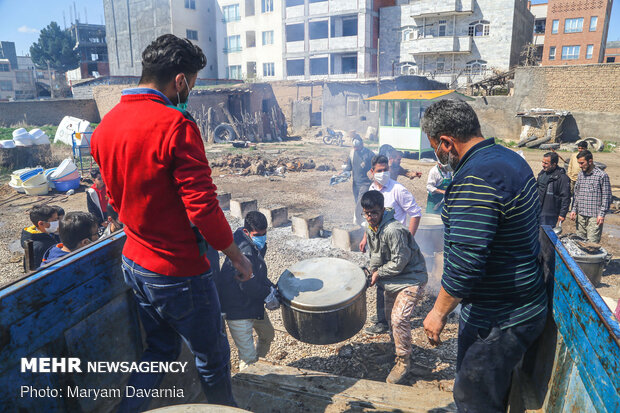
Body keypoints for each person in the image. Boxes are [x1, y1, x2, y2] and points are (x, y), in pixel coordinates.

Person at [90, 34, 252, 410]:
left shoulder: (105, 127)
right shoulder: (175, 125)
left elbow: (112, 199)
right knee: (212, 358)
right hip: (178, 272)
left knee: (158, 350)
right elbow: (203, 207)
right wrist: (238, 257)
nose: (189, 93)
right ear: (180, 80)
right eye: (191, 85)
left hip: (134, 263)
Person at [420, 100, 548, 412]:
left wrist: (437, 313)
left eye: (435, 147)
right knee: (491, 386)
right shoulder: (508, 158)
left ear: (448, 142)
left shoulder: (475, 178)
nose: (437, 155)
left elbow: (466, 263)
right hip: (526, 303)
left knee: (474, 393)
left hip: (499, 318)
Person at [361, 190, 427, 384]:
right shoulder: (371, 227)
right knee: (390, 320)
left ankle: (404, 363)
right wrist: (371, 270)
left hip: (412, 279)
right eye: (366, 213)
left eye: (373, 212)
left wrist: (378, 273)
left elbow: (399, 262)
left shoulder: (393, 230)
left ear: (382, 209)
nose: (369, 217)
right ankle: (394, 352)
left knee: (399, 319)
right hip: (392, 280)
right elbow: (375, 255)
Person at [361, 155, 423, 335]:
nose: (383, 174)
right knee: (379, 280)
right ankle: (383, 316)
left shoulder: (398, 189)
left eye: (385, 170)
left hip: (394, 245)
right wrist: (365, 237)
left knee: (385, 281)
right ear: (372, 172)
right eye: (379, 171)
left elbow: (415, 213)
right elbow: (371, 218)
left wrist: (408, 239)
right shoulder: (373, 188)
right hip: (378, 245)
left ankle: (384, 322)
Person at [216, 211, 276, 370]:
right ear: (246, 231)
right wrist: (268, 295)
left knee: (268, 335)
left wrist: (272, 288)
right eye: (258, 235)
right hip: (237, 309)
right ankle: (248, 379)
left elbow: (258, 276)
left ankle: (258, 370)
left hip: (252, 304)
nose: (262, 238)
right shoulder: (244, 252)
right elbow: (248, 285)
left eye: (264, 234)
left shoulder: (254, 244)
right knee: (247, 359)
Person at [570, 150, 612, 243]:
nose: (580, 166)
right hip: (581, 215)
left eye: (582, 163)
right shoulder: (581, 174)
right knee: (579, 242)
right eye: (579, 163)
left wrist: (602, 214)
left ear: (590, 161)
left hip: (594, 217)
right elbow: (577, 193)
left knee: (591, 244)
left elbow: (607, 196)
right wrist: (574, 209)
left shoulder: (601, 175)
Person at [345, 137, 375, 225]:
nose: (355, 149)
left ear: (362, 144)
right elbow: (349, 167)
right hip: (355, 183)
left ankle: (356, 222)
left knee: (360, 202)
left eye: (357, 147)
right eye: (354, 147)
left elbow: (375, 168)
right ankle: (362, 219)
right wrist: (343, 172)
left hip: (365, 183)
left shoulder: (370, 154)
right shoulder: (352, 153)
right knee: (357, 202)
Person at [537, 152, 570, 228]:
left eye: (546, 163)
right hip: (538, 210)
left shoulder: (562, 178)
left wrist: (562, 214)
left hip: (550, 214)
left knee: (546, 235)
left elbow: (565, 197)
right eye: (542, 162)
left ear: (554, 164)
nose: (543, 165)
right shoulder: (542, 174)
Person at [21, 205, 59, 271]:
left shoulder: (50, 233)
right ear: (41, 224)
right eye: (54, 220)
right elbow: (31, 269)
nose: (57, 222)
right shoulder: (37, 246)